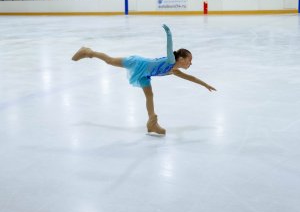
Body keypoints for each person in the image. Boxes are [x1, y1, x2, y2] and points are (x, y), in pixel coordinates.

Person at [71, 25, 216, 135]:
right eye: (190, 60)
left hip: (144, 75)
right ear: (182, 59)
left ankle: (152, 123)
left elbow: (191, 78)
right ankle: (88, 52)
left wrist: (205, 85)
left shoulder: (174, 70)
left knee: (149, 95)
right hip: (137, 63)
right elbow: (169, 47)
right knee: (110, 61)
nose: (191, 63)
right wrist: (168, 32)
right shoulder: (171, 61)